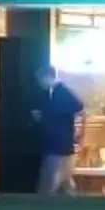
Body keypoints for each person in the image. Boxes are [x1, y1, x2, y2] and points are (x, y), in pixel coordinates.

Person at [35, 63, 86, 194]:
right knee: (67, 186)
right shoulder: (59, 93)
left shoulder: (61, 93)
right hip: (64, 148)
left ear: (46, 77)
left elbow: (79, 111)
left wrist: (42, 117)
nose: (39, 84)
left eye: (39, 80)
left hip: (57, 149)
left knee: (47, 189)